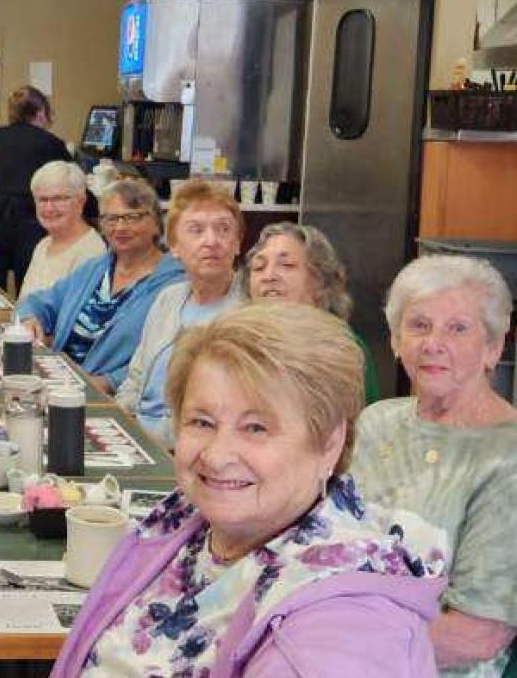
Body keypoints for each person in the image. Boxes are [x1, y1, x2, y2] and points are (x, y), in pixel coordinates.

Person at [52, 303, 449, 678]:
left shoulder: (351, 622)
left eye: (256, 428)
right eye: (201, 422)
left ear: (329, 441)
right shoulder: (186, 524)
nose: (217, 455)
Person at [352, 254, 517, 676]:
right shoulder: (377, 422)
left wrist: (341, 637)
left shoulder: (507, 455)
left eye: (458, 328)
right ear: (394, 340)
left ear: (493, 347)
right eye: (419, 325)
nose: (433, 343)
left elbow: (477, 636)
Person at [17, 179, 184, 394]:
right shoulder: (96, 268)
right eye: (111, 219)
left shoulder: (173, 283)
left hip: (113, 398)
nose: (120, 227)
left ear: (156, 224)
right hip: (61, 384)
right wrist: (31, 319)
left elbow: (167, 360)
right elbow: (38, 301)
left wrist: (108, 382)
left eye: (132, 217)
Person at [112, 179, 244, 446]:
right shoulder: (168, 299)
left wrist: (145, 438)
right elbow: (135, 378)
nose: (212, 241)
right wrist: (119, 423)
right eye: (196, 230)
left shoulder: (247, 313)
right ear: (173, 246)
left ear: (238, 243)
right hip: (136, 437)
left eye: (223, 229)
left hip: (186, 448)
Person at [243, 221, 380, 404]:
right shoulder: (237, 344)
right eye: (259, 267)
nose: (269, 276)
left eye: (286, 265)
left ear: (320, 281)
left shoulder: (344, 350)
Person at [0, 85, 73, 293]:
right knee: (30, 288)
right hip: (31, 224)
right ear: (40, 113)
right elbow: (75, 186)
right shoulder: (52, 143)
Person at [18, 161, 108, 301]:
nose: (49, 208)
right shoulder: (44, 245)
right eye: (42, 200)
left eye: (59, 199)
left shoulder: (90, 252)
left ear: (81, 201)